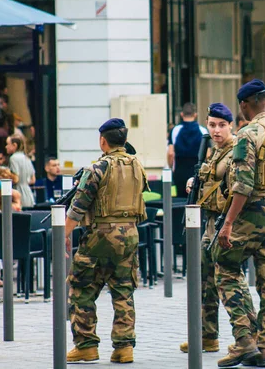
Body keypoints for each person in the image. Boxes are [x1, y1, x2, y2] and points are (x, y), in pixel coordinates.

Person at [213, 79, 265, 368]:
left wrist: (228, 223)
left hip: (253, 209)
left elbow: (243, 185)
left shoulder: (248, 134)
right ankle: (264, 347)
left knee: (224, 265)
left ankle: (244, 340)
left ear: (244, 105)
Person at [65, 118, 147, 364]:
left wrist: (65, 233)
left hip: (100, 235)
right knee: (123, 288)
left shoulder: (97, 169)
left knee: (81, 286)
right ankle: (124, 348)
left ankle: (86, 345)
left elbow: (78, 207)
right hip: (130, 234)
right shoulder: (137, 165)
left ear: (103, 141)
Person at [179, 103, 256, 354]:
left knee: (230, 279)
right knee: (205, 281)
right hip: (210, 222)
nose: (216, 130)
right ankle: (207, 335)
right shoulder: (214, 151)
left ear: (231, 125)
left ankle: (249, 333)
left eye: (222, 125)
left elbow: (238, 188)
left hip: (227, 224)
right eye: (212, 125)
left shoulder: (235, 151)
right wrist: (195, 183)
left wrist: (229, 224)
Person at [167, 102, 209, 198]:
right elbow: (208, 154)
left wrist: (171, 167)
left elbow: (170, 153)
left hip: (180, 170)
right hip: (197, 170)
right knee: (197, 199)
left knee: (181, 199)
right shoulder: (202, 131)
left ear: (182, 114)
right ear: (195, 115)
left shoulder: (175, 130)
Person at [6, 135, 36, 208]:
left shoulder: (13, 158)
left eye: (7, 144)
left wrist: (6, 176)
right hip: (29, 194)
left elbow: (16, 179)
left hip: (18, 194)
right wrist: (24, 181)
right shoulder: (27, 158)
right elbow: (33, 180)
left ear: (14, 145)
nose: (6, 146)